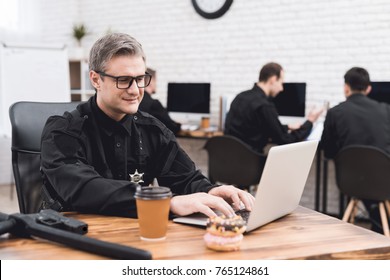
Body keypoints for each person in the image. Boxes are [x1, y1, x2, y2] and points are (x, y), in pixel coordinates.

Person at [40, 33, 254, 219]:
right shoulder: (63, 131)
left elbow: (184, 178)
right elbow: (84, 189)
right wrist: (164, 203)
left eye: (140, 78)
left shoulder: (152, 130)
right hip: (75, 239)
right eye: (123, 80)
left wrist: (210, 191)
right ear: (96, 80)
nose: (135, 90)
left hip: (137, 235)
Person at [320, 66, 390, 233]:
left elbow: (327, 151)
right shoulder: (386, 110)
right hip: (384, 183)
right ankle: (379, 226)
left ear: (346, 87)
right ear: (369, 89)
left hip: (349, 183)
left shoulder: (334, 113)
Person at [224, 62, 323, 153]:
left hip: (228, 159)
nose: (281, 88)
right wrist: (310, 121)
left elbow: (252, 127)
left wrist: (287, 126)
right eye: (281, 83)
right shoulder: (264, 105)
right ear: (273, 79)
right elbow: (285, 140)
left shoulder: (240, 97)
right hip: (251, 163)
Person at [138, 67, 182, 134]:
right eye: (156, 81)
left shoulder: (134, 102)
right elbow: (173, 128)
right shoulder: (154, 104)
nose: (156, 84)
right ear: (151, 81)